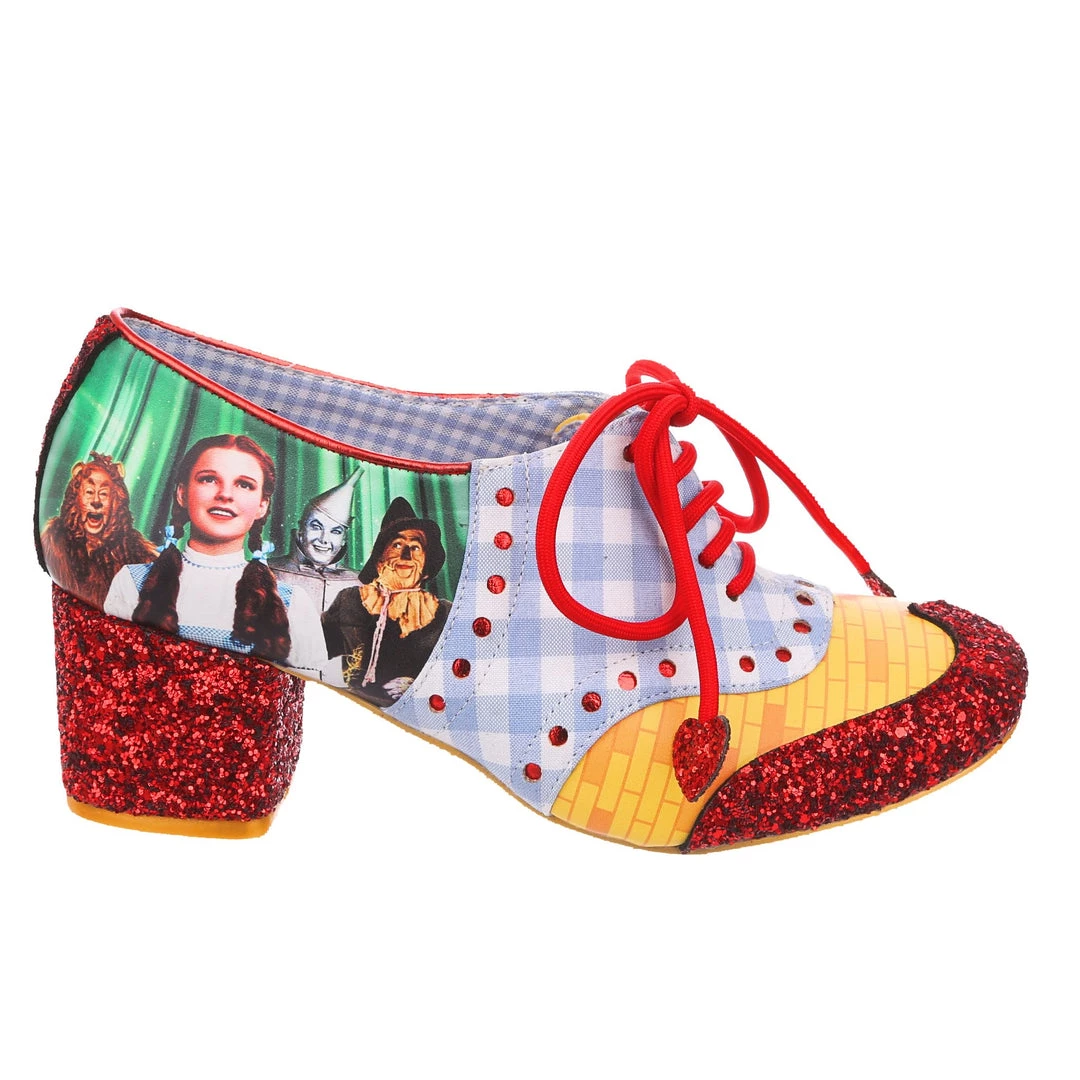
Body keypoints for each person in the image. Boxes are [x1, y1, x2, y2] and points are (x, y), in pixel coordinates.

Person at [104, 433, 326, 673]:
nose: (225, 495)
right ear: (182, 494)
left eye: (244, 485)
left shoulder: (292, 604)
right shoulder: (132, 583)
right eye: (209, 479)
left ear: (262, 506)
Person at [323, 497, 451, 705]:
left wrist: (421, 687)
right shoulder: (349, 601)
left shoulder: (445, 614)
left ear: (427, 567)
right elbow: (314, 658)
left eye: (416, 547)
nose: (406, 555)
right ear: (379, 560)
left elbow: (462, 672)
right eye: (397, 545)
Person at [269, 467, 363, 686]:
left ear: (344, 538)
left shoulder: (361, 584)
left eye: (335, 531)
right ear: (301, 529)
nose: (323, 539)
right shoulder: (267, 572)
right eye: (316, 526)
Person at [40, 452, 158, 609]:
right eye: (89, 492)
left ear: (116, 502)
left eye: (103, 494)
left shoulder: (135, 553)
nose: (96, 501)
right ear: (75, 497)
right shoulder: (54, 543)